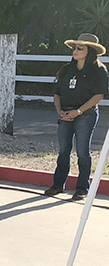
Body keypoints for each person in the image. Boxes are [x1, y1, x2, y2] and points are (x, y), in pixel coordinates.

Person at [44, 33, 108, 201]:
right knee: (63, 150)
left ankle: (82, 188)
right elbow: (57, 93)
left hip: (85, 115)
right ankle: (58, 185)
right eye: (75, 48)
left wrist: (78, 111)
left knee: (82, 152)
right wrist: (60, 111)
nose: (76, 51)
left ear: (90, 51)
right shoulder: (67, 69)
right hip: (65, 114)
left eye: (81, 48)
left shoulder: (99, 70)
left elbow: (99, 96)